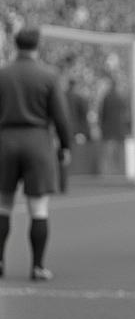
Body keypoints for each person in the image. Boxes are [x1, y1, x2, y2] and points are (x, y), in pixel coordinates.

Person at [0, 27, 72, 280]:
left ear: (15, 44)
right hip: (37, 142)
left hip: (5, 141)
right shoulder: (48, 76)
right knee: (38, 208)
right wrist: (65, 146)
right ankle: (37, 266)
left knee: (4, 205)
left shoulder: (3, 74)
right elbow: (61, 118)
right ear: (37, 46)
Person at [99, 73, 130, 175]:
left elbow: (102, 114)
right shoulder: (121, 97)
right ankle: (121, 172)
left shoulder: (107, 97)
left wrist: (102, 127)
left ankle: (107, 173)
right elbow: (126, 114)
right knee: (120, 154)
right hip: (120, 129)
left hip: (109, 130)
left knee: (108, 153)